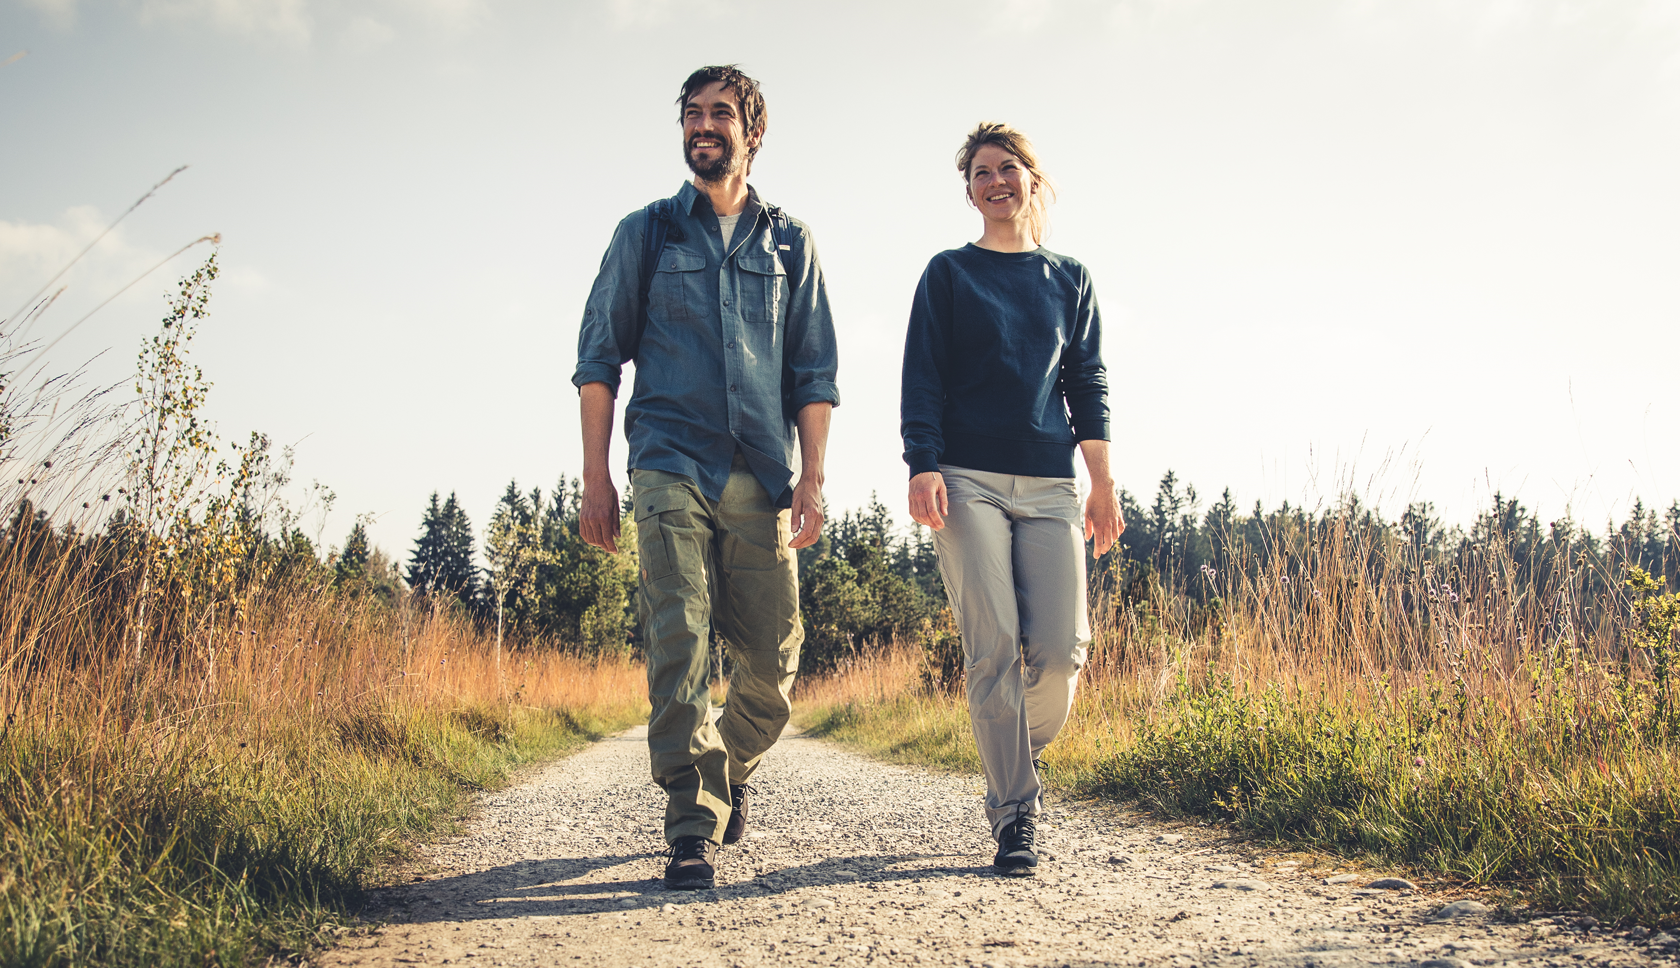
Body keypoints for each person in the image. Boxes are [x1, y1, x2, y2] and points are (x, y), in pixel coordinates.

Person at [572, 65, 839, 891]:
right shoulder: (646, 233)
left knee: (775, 656)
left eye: (721, 112)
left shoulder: (790, 242)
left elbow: (814, 371)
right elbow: (596, 357)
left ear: (752, 132)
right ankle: (689, 826)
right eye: (692, 113)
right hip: (666, 462)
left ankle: (723, 771)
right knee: (678, 638)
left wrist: (813, 477)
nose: (704, 125)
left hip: (761, 471)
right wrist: (595, 476)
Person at [900, 121, 1123, 877]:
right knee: (992, 644)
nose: (996, 181)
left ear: (1034, 177)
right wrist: (922, 464)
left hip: (1052, 481)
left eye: (1009, 168)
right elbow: (922, 379)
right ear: (969, 190)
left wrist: (1102, 483)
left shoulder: (1070, 279)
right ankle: (1015, 812)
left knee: (1061, 652)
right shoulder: (948, 274)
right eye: (981, 172)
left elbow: (1085, 385)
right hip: (965, 477)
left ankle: (1008, 750)